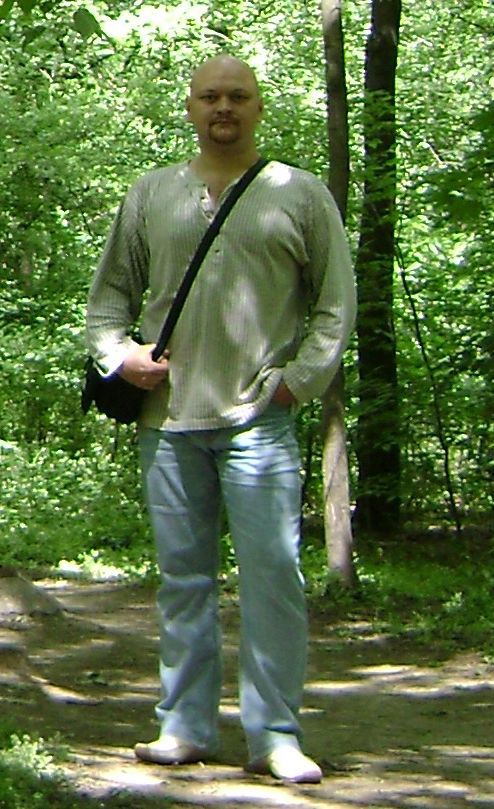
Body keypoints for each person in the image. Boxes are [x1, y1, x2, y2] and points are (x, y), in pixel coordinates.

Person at [85, 54, 356, 784]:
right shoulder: (151, 194)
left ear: (259, 107)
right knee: (183, 578)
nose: (223, 108)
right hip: (167, 419)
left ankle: (276, 736)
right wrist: (121, 356)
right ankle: (184, 726)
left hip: (258, 420)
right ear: (191, 106)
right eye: (210, 96)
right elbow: (108, 301)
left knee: (273, 578)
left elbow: (336, 303)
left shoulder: (298, 194)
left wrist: (298, 382)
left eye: (238, 96)